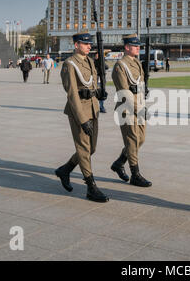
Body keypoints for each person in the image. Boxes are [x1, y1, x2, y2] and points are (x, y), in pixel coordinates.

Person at [56, 31, 108, 203]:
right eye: (85, 43)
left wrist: (99, 92)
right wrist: (82, 118)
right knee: (84, 149)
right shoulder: (70, 64)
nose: (89, 46)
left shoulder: (90, 61)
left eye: (90, 43)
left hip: (92, 108)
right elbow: (72, 94)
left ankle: (65, 169)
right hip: (79, 111)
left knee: (91, 148)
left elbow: (91, 84)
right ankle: (91, 187)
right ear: (76, 45)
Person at [111, 33, 151, 187]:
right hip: (126, 108)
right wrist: (138, 109)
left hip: (139, 105)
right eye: (135, 45)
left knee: (140, 139)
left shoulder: (137, 63)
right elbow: (124, 91)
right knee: (132, 140)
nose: (138, 48)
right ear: (127, 47)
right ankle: (135, 174)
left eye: (138, 45)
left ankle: (119, 162)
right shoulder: (121, 65)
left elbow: (138, 85)